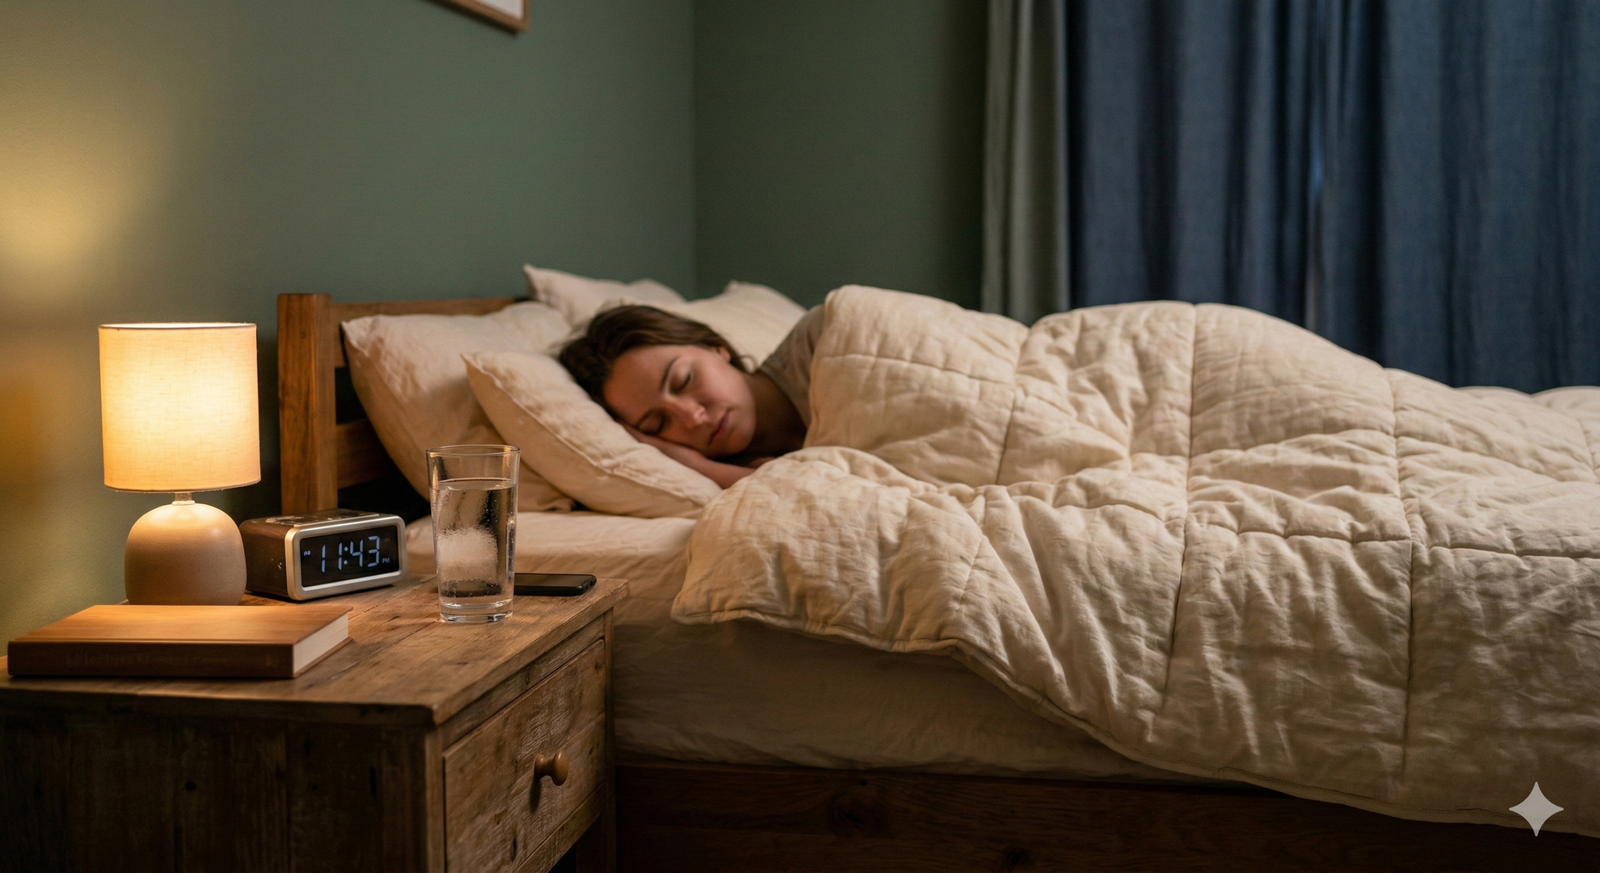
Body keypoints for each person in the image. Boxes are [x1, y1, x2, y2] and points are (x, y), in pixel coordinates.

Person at [559, 304, 822, 488]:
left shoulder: (821, 342)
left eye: (683, 380)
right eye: (658, 424)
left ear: (715, 348)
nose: (692, 418)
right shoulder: (749, 472)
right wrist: (705, 469)